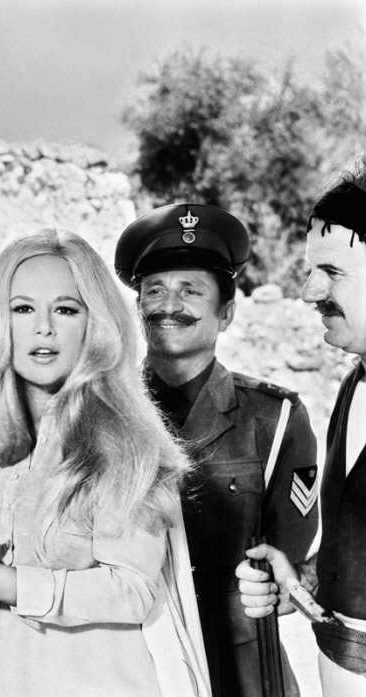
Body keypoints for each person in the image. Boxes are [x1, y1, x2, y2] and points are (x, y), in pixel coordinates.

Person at [0, 229, 211, 697]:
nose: (44, 328)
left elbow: (134, 591)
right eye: (23, 309)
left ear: (94, 324)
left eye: (65, 309)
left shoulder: (124, 438)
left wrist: (1, 582)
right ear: (1, 322)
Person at [114, 204, 319, 697]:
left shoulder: (274, 419)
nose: (169, 305)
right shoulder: (108, 414)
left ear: (226, 313)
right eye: (155, 290)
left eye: (191, 290)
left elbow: (287, 563)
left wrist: (288, 586)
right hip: (137, 666)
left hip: (242, 671)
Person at [237, 172, 366, 696]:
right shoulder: (354, 384)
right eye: (311, 270)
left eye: (331, 271)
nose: (310, 291)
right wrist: (304, 580)